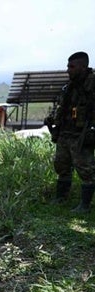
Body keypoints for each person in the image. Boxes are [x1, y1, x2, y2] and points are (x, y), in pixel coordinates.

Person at [49, 51, 95, 213]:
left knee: (86, 169)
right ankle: (61, 198)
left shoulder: (92, 85)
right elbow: (62, 108)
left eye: (72, 66)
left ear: (83, 67)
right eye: (68, 66)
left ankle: (85, 206)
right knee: (61, 165)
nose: (68, 70)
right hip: (65, 133)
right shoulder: (69, 87)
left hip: (82, 134)